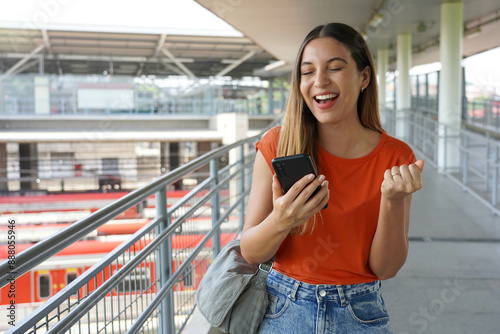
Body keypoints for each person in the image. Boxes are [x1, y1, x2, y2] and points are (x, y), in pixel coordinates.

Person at [240, 22, 424, 333]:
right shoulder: (276, 145)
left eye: (335, 68)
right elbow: (251, 252)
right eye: (307, 71)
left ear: (364, 77)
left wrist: (394, 200)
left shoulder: (395, 157)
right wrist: (282, 219)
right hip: (283, 310)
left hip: (361, 313)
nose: (319, 81)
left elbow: (386, 268)